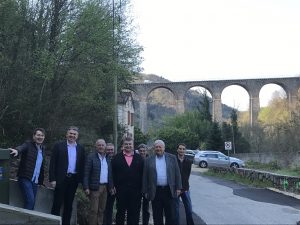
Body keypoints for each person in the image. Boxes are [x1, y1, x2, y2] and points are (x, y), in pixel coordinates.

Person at [49, 126, 85, 225]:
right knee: (57, 204)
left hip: (73, 180)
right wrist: (52, 179)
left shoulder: (81, 149)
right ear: (67, 134)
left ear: (77, 136)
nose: (72, 135)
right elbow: (52, 163)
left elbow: (82, 166)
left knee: (69, 206)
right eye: (70, 133)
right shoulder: (58, 146)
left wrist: (81, 181)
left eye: (74, 134)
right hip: (60, 179)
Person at [142, 140, 182, 225]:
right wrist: (145, 191)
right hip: (155, 191)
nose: (158, 148)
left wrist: (178, 187)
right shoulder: (148, 160)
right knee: (157, 215)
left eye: (160, 147)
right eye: (156, 147)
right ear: (154, 148)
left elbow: (177, 173)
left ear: (164, 148)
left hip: (169, 190)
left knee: (170, 215)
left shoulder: (172, 158)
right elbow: (145, 176)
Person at [9, 128, 46, 210]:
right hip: (25, 178)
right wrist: (17, 150)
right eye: (38, 135)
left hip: (35, 181)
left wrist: (41, 181)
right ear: (34, 136)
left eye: (42, 135)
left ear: (44, 137)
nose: (40, 137)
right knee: (30, 201)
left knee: (32, 203)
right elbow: (22, 148)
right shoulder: (28, 144)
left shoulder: (42, 149)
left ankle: (28, 220)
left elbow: (41, 166)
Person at [111, 137, 144, 225]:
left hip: (136, 191)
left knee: (134, 213)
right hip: (121, 191)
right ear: (123, 145)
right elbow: (112, 174)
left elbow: (143, 175)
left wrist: (142, 188)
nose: (128, 146)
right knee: (120, 212)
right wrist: (112, 185)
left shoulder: (140, 158)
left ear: (133, 145)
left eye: (130, 144)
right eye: (126, 144)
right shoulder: (116, 158)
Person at [83, 139, 114, 225]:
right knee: (94, 210)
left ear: (105, 147)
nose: (101, 147)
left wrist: (111, 187)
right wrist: (86, 187)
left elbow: (110, 174)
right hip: (95, 188)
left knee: (102, 210)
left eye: (102, 145)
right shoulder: (91, 157)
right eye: (99, 145)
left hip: (105, 187)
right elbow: (86, 173)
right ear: (96, 146)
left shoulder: (108, 158)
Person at [175, 143, 194, 225]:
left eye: (183, 149)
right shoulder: (173, 160)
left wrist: (186, 187)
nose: (182, 150)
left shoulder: (188, 162)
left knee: (189, 210)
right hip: (176, 189)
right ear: (177, 150)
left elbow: (187, 175)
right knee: (176, 211)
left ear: (185, 150)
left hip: (185, 189)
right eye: (180, 148)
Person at [103, 143, 116, 225]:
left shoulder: (116, 159)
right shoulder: (102, 159)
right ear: (105, 150)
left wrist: (114, 186)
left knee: (110, 208)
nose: (110, 151)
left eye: (111, 150)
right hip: (103, 187)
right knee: (102, 208)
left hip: (113, 188)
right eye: (108, 149)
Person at [137, 144, 150, 225]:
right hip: (137, 188)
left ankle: (145, 223)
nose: (142, 152)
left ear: (146, 151)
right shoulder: (135, 160)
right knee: (136, 207)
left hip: (147, 188)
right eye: (140, 151)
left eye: (143, 151)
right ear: (138, 151)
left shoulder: (150, 161)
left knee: (146, 208)